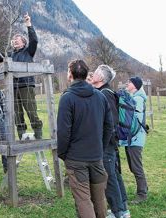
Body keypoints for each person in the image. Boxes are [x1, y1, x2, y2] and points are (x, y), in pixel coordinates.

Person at [57, 60, 113, 218]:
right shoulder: (100, 96)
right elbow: (109, 126)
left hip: (76, 159)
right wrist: (100, 148)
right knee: (99, 198)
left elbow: (63, 132)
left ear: (70, 75)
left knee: (83, 200)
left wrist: (63, 154)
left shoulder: (67, 98)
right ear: (87, 74)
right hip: (96, 157)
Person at [0, 12, 43, 140]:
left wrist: (28, 24)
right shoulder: (11, 55)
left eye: (17, 39)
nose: (14, 40)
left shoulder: (29, 51)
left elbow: (34, 40)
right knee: (17, 113)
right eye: (13, 40)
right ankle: (22, 134)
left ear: (23, 42)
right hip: (13, 87)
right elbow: (1, 59)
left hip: (26, 86)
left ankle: (38, 134)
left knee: (31, 111)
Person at [91, 65, 130, 218]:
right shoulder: (104, 92)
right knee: (114, 174)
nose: (91, 75)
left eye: (94, 74)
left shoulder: (105, 95)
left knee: (109, 177)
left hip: (107, 143)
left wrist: (102, 143)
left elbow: (111, 122)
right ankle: (123, 208)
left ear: (100, 78)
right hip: (110, 142)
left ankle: (118, 212)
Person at [120, 76, 148, 204]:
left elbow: (135, 120)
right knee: (133, 166)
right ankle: (144, 188)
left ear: (135, 85)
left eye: (129, 82)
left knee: (136, 167)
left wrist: (130, 135)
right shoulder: (135, 97)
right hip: (131, 138)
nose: (127, 83)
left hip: (135, 139)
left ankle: (142, 194)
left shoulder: (138, 99)